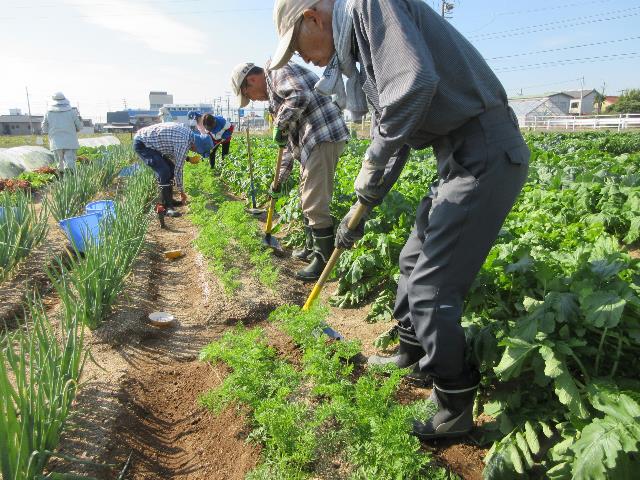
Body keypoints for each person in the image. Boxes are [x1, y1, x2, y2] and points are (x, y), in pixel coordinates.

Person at [270, 0, 530, 440]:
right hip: (457, 155)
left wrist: (367, 177)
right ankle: (413, 355)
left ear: (312, 17)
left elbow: (412, 88)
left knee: (432, 286)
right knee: (412, 261)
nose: (304, 60)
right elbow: (401, 128)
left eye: (298, 46)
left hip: (484, 150)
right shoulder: (364, 39)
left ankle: (454, 402)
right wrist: (364, 202)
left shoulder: (368, 5)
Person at [231, 61, 349, 281]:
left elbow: (300, 96)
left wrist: (280, 124)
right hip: (311, 142)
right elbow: (284, 147)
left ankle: (323, 262)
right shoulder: (276, 100)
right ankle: (311, 247)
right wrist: (278, 181)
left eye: (250, 95)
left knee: (314, 200)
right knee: (305, 193)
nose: (254, 100)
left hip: (322, 135)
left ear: (252, 79)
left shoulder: (278, 71)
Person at [133, 122, 212, 221]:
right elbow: (179, 169)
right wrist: (181, 191)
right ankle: (167, 207)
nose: (196, 151)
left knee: (170, 167)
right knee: (164, 171)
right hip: (143, 143)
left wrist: (188, 158)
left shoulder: (188, 135)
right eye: (198, 150)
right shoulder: (183, 142)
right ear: (196, 146)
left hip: (151, 143)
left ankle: (169, 200)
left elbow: (172, 151)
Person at [41, 92, 83, 172]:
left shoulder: (48, 113)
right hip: (70, 141)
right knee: (70, 164)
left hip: (56, 142)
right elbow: (79, 126)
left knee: (59, 164)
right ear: (64, 100)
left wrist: (50, 131)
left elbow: (44, 127)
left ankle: (62, 181)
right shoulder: (71, 112)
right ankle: (72, 180)